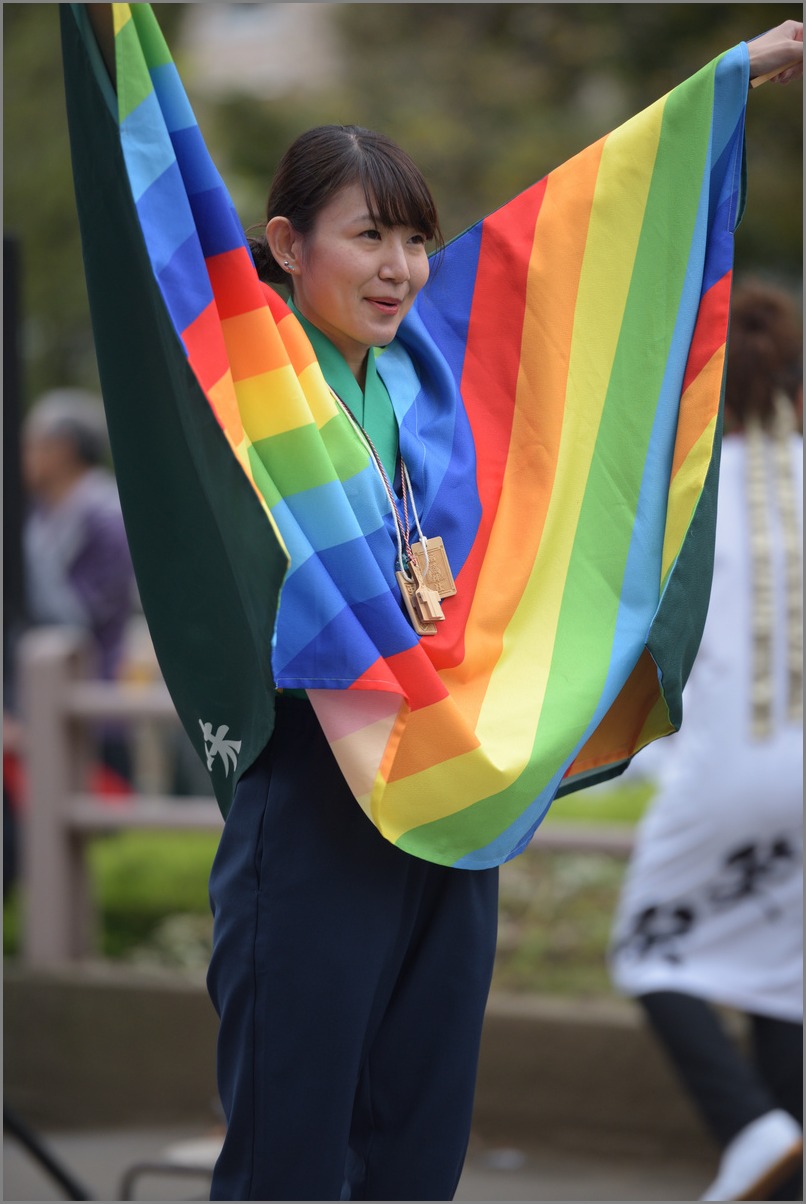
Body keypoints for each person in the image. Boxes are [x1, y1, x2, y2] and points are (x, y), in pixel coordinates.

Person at [67, 7, 802, 1200]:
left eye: (415, 238)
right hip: (311, 805)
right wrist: (107, 34)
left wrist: (725, 81)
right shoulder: (255, 371)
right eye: (368, 237)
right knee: (289, 1161)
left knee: (417, 1153)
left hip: (455, 804)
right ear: (285, 247)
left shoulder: (431, 363)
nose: (402, 267)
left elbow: (576, 224)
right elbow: (166, 206)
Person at [609, 281, 803, 1201]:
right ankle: (781, 1147)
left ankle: (752, 1125)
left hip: (729, 767)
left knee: (644, 950)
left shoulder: (685, 497)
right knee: (787, 973)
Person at [20, 388, 137, 779]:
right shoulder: (38, 514)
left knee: (100, 827)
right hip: (36, 701)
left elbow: (83, 616)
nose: (24, 457)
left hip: (95, 701)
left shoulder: (105, 514)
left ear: (63, 449)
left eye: (32, 444)